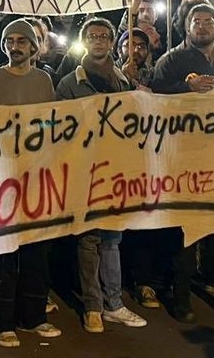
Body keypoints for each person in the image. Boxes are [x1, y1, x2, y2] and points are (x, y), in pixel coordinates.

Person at [150, 3, 214, 323]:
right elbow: (155, 99)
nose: (203, 26)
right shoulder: (172, 61)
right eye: (197, 21)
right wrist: (186, 88)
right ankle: (180, 297)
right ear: (186, 27)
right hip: (184, 159)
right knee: (185, 232)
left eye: (209, 21)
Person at [56, 18, 148, 334]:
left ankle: (114, 304)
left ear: (111, 42)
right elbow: (58, 130)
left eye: (105, 36)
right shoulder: (69, 83)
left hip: (116, 170)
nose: (99, 40)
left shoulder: (125, 81)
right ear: (84, 42)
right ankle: (93, 306)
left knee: (112, 238)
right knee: (88, 238)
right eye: (92, 36)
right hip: (84, 170)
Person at [0, 19, 62, 348]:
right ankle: (2, 322)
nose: (15, 46)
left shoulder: (44, 81)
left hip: (37, 180)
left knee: (36, 254)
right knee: (3, 254)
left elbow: (53, 127)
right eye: (10, 40)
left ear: (33, 46)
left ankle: (34, 316)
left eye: (21, 41)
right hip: (0, 182)